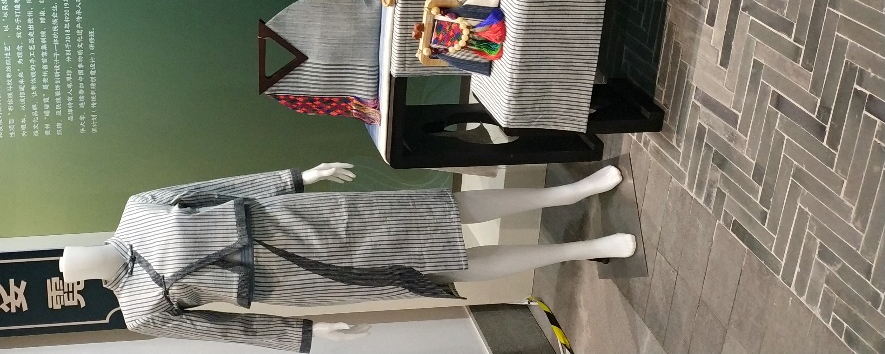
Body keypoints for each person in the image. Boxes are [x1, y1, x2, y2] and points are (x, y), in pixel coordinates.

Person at [60, 162, 635, 352]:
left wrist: (298, 178)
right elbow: (231, 331)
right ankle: (582, 250)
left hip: (302, 220)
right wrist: (308, 333)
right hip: (299, 281)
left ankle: (569, 193)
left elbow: (220, 188)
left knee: (442, 211)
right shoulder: (140, 311)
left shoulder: (140, 209)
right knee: (440, 267)